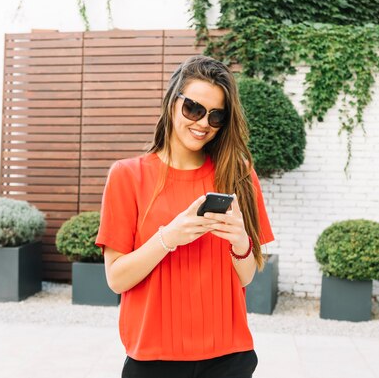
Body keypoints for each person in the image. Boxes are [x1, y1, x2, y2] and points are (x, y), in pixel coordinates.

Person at [95, 55, 275, 378]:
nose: (203, 123)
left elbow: (246, 277)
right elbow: (116, 278)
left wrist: (240, 241)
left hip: (229, 359)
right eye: (193, 108)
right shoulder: (127, 176)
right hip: (152, 361)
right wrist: (168, 238)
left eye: (216, 116)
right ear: (171, 103)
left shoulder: (239, 174)